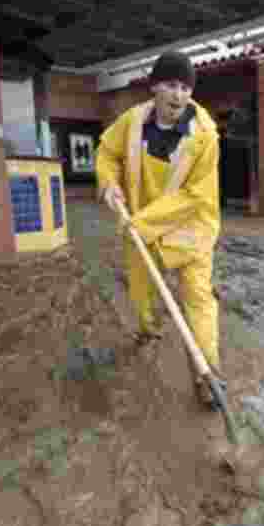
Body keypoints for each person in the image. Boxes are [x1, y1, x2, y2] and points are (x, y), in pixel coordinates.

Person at [95, 51, 223, 406]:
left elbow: (196, 195)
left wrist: (140, 222)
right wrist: (108, 184)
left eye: (185, 87)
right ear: (154, 87)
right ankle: (149, 330)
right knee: (141, 291)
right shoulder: (132, 122)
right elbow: (106, 153)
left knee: (198, 299)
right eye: (170, 85)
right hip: (142, 228)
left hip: (190, 228)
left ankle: (207, 373)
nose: (178, 94)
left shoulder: (205, 138)